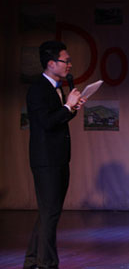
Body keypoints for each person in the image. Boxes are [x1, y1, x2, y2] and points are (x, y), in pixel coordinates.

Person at [24, 41, 85, 269]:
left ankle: (32, 260)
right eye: (65, 61)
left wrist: (72, 108)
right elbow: (46, 123)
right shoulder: (38, 89)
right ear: (51, 63)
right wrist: (67, 107)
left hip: (59, 158)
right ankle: (47, 264)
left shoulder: (56, 87)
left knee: (49, 213)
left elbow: (58, 118)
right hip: (46, 160)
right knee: (49, 213)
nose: (69, 65)